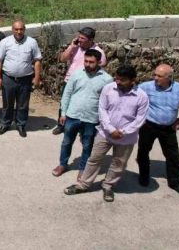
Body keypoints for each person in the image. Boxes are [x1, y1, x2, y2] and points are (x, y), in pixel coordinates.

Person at [64, 65, 149, 202]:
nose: (118, 82)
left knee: (118, 163)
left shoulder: (141, 96)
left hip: (126, 138)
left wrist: (123, 132)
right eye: (117, 78)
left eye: (123, 80)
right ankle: (83, 184)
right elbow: (102, 110)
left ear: (133, 80)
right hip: (105, 133)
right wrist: (110, 129)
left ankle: (108, 186)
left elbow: (140, 119)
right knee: (94, 159)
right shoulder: (109, 89)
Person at [52, 49, 112, 179]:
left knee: (87, 145)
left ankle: (83, 168)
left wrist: (104, 120)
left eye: (91, 62)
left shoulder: (107, 79)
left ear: (99, 62)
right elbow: (67, 94)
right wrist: (63, 113)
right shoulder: (76, 74)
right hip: (72, 115)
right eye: (86, 61)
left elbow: (109, 101)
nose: (87, 64)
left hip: (91, 118)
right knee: (67, 142)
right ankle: (63, 164)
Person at [136, 64, 179, 199]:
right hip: (148, 126)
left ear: (169, 77)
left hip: (168, 128)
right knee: (143, 151)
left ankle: (175, 182)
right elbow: (133, 99)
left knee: (173, 155)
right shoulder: (146, 86)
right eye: (154, 74)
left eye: (159, 76)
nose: (155, 78)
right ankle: (144, 177)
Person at [52, 27, 107, 135]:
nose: (79, 40)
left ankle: (80, 127)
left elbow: (102, 64)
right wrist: (72, 47)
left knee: (82, 104)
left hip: (86, 83)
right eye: (79, 37)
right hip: (69, 80)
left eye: (82, 38)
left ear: (90, 40)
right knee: (64, 102)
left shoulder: (98, 52)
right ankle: (61, 125)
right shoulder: (75, 47)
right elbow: (62, 59)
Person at [0, 20, 42, 137]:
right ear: (12, 29)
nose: (19, 32)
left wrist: (37, 77)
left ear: (24, 29)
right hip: (8, 78)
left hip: (25, 79)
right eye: (16, 29)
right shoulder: (5, 42)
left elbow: (37, 61)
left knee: (23, 104)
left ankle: (21, 125)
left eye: (21, 29)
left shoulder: (32, 42)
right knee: (7, 103)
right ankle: (5, 123)